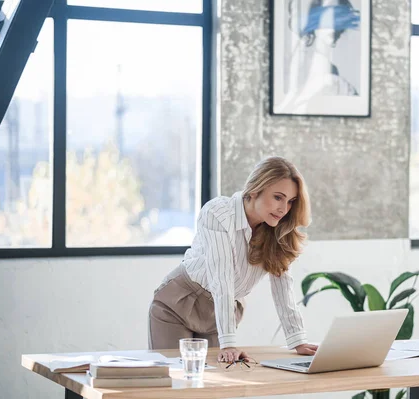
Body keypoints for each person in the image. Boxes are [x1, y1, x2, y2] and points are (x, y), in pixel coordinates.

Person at [148, 157, 319, 363]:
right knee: (173, 381)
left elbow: (283, 287)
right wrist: (228, 342)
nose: (284, 209)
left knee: (212, 388)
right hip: (179, 303)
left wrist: (297, 340)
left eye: (291, 201)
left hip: (223, 310)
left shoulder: (278, 232)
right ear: (255, 189)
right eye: (278, 197)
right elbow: (222, 277)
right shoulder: (218, 213)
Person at [277, 0, 361, 113]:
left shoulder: (334, 78)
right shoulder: (296, 67)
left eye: (335, 23)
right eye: (326, 21)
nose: (332, 28)